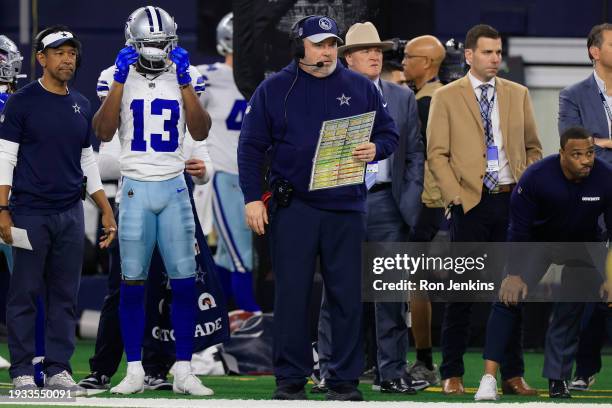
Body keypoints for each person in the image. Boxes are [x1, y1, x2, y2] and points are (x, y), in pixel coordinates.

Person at [238, 15, 398, 401]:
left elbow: (388, 132)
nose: (326, 51)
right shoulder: (274, 88)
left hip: (346, 206)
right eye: (318, 44)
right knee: (291, 295)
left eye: (331, 44)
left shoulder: (361, 87)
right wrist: (250, 199)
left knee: (346, 296)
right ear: (300, 47)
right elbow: (250, 147)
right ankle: (290, 380)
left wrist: (376, 149)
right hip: (295, 207)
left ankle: (343, 380)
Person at [92, 6, 212, 395]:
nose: (157, 51)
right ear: (132, 42)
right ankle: (134, 370)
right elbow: (104, 131)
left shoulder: (187, 74)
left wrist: (184, 83)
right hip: (133, 188)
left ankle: (183, 369)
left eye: (163, 44)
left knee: (183, 281)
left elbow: (200, 128)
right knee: (131, 283)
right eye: (150, 44)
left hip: (175, 185)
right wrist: (120, 83)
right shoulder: (114, 75)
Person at [427, 24, 542, 396]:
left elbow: (534, 147)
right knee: (462, 292)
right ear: (469, 55)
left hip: (511, 201)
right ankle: (453, 372)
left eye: (499, 52)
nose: (496, 58)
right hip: (470, 204)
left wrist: (526, 186)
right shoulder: (446, 97)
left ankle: (512, 374)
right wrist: (454, 196)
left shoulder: (518, 94)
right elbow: (436, 154)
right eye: (489, 52)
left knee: (512, 288)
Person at [0, 25, 116, 393]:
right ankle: (21, 369)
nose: (67, 59)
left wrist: (105, 208)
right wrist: (2, 209)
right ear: (41, 59)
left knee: (65, 295)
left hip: (70, 213)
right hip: (29, 212)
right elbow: (5, 158)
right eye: (59, 52)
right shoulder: (22, 102)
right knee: (25, 292)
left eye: (71, 53)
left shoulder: (81, 103)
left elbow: (88, 162)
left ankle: (57, 368)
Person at [475, 126, 612, 399]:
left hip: (583, 246)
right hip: (538, 243)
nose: (586, 160)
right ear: (562, 154)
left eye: (590, 153)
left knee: (571, 307)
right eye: (577, 154)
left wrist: (611, 277)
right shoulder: (536, 178)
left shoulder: (606, 177)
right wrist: (514, 274)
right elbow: (518, 230)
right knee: (507, 298)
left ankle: (558, 380)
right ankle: (488, 378)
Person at [337, 21, 424, 394]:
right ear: (349, 59)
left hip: (388, 200)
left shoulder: (401, 96)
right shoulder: (330, 94)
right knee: (339, 293)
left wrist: (410, 198)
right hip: (343, 201)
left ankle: (392, 372)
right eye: (367, 51)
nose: (376, 55)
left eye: (378, 50)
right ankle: (333, 369)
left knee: (391, 294)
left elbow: (416, 152)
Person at [558, 22, 612, 390]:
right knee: (591, 287)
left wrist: (602, 142)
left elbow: (592, 143)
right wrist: (600, 145)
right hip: (595, 199)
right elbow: (574, 144)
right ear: (594, 50)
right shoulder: (573, 94)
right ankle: (583, 368)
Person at [197, 12, 260, 314]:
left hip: (255, 179)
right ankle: (254, 318)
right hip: (226, 175)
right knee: (240, 255)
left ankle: (214, 320)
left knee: (227, 254)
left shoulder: (267, 79)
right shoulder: (206, 76)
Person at [402, 34, 447, 386]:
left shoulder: (427, 102)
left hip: (424, 202)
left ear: (428, 63)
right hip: (430, 200)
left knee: (417, 284)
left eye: (408, 56)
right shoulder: (433, 96)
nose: (403, 61)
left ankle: (424, 361)